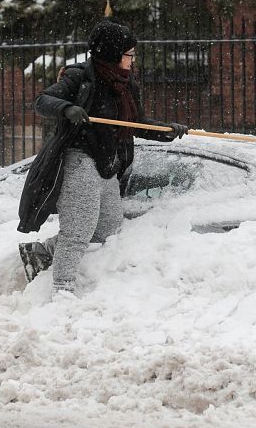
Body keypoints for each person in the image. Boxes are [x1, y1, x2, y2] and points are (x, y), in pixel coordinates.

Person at [17, 20, 188, 293]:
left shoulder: (126, 84)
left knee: (107, 226)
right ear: (112, 53)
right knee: (79, 228)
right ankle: (62, 290)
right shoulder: (80, 77)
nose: (132, 59)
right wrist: (67, 109)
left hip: (106, 162)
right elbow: (42, 100)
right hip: (79, 157)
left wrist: (166, 131)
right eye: (128, 54)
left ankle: (42, 252)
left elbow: (136, 123)